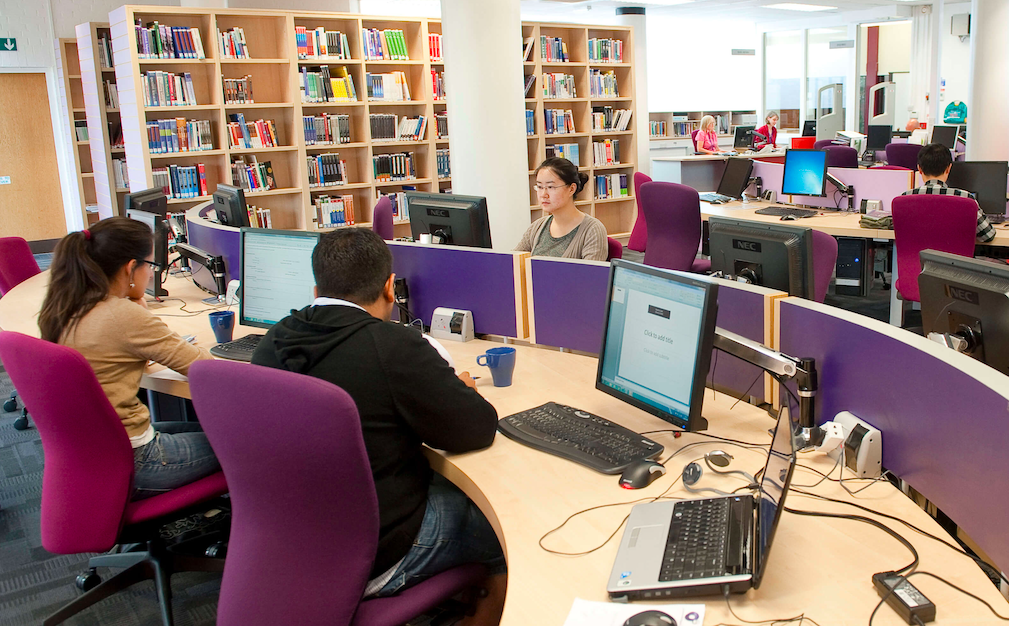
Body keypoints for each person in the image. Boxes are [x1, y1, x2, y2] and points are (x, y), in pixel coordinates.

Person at [250, 228, 506, 617]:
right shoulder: (392, 346)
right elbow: (475, 430)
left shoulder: (274, 341)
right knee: (503, 528)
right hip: (376, 553)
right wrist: (463, 392)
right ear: (390, 288)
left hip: (294, 544)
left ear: (317, 290)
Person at [37, 217, 218, 500]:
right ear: (130, 267)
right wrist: (139, 313)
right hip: (137, 459)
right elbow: (205, 370)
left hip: (92, 454)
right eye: (151, 265)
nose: (151, 274)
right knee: (249, 442)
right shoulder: (121, 315)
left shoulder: (65, 303)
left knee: (212, 430)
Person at [513, 156, 609, 260]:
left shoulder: (592, 230)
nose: (543, 194)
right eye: (540, 187)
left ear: (571, 189)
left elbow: (590, 270)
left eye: (550, 187)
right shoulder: (537, 227)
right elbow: (511, 262)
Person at [898, 143, 997, 243]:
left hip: (916, 253)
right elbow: (988, 235)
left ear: (919, 169)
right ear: (949, 168)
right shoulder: (965, 199)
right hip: (953, 253)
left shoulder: (904, 199)